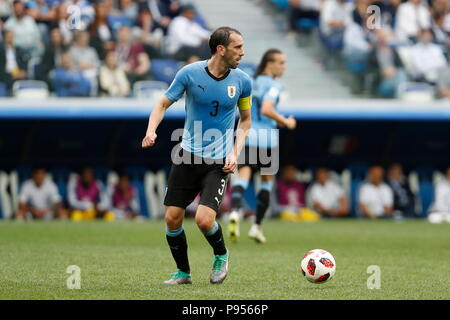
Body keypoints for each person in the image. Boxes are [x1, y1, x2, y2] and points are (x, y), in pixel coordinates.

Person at [141, 26, 252, 285]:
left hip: (218, 161)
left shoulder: (242, 81)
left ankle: (221, 255)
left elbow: (246, 121)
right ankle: (183, 273)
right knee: (172, 218)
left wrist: (235, 154)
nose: (242, 53)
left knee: (204, 220)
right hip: (187, 156)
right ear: (220, 49)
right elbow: (162, 104)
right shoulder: (189, 74)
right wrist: (151, 131)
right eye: (237, 47)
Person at [227, 49, 297, 244]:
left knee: (243, 178)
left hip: (247, 135)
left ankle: (234, 213)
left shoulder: (250, 81)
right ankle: (256, 227)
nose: (283, 67)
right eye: (281, 63)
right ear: (269, 63)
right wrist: (285, 121)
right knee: (266, 181)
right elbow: (266, 109)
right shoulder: (274, 86)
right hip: (267, 139)